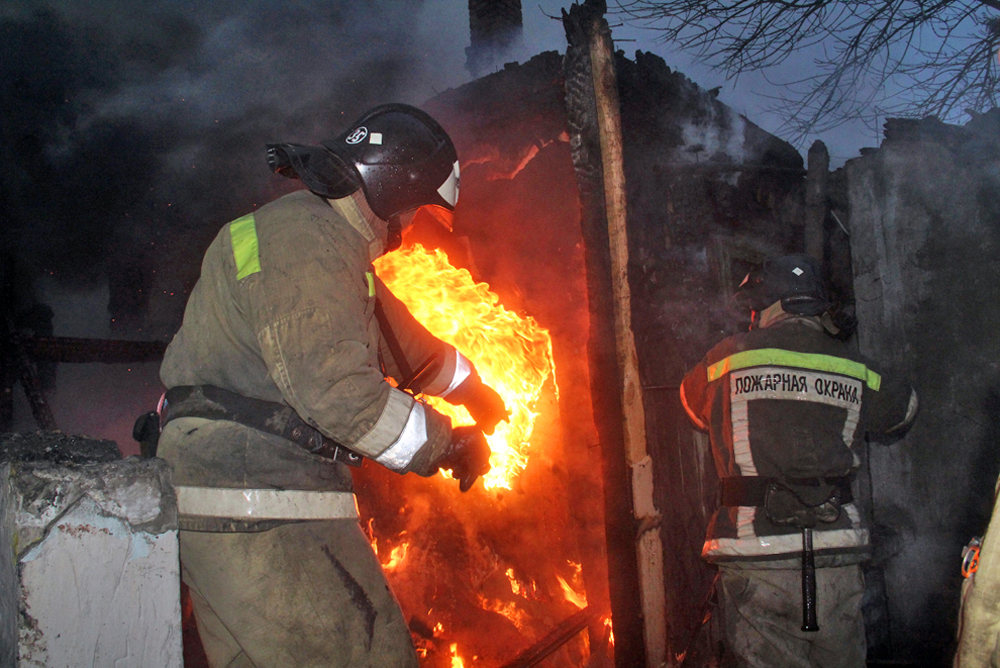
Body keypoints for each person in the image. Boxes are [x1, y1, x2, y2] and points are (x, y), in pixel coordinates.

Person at [156, 103, 508, 668]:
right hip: (263, 507)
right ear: (390, 189)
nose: (413, 223)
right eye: (416, 208)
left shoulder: (320, 245)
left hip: (239, 503)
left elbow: (404, 345)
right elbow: (341, 394)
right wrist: (446, 445)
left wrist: (473, 391)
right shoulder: (304, 244)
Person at [679, 254, 918, 668]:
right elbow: (906, 410)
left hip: (758, 559)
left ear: (769, 305)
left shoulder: (725, 360)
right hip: (835, 556)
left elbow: (691, 405)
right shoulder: (854, 365)